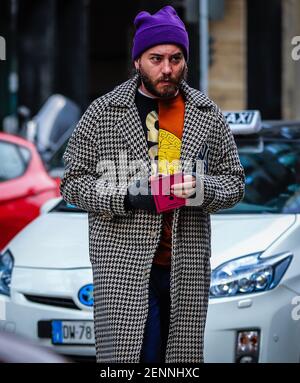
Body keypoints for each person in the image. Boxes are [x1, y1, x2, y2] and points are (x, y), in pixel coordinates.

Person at [60, 5, 245, 363]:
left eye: (176, 58)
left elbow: (235, 183)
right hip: (124, 270)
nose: (167, 69)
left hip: (184, 267)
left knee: (179, 361)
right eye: (156, 58)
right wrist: (128, 197)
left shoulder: (205, 113)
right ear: (137, 61)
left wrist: (201, 189)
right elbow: (72, 183)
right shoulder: (103, 113)